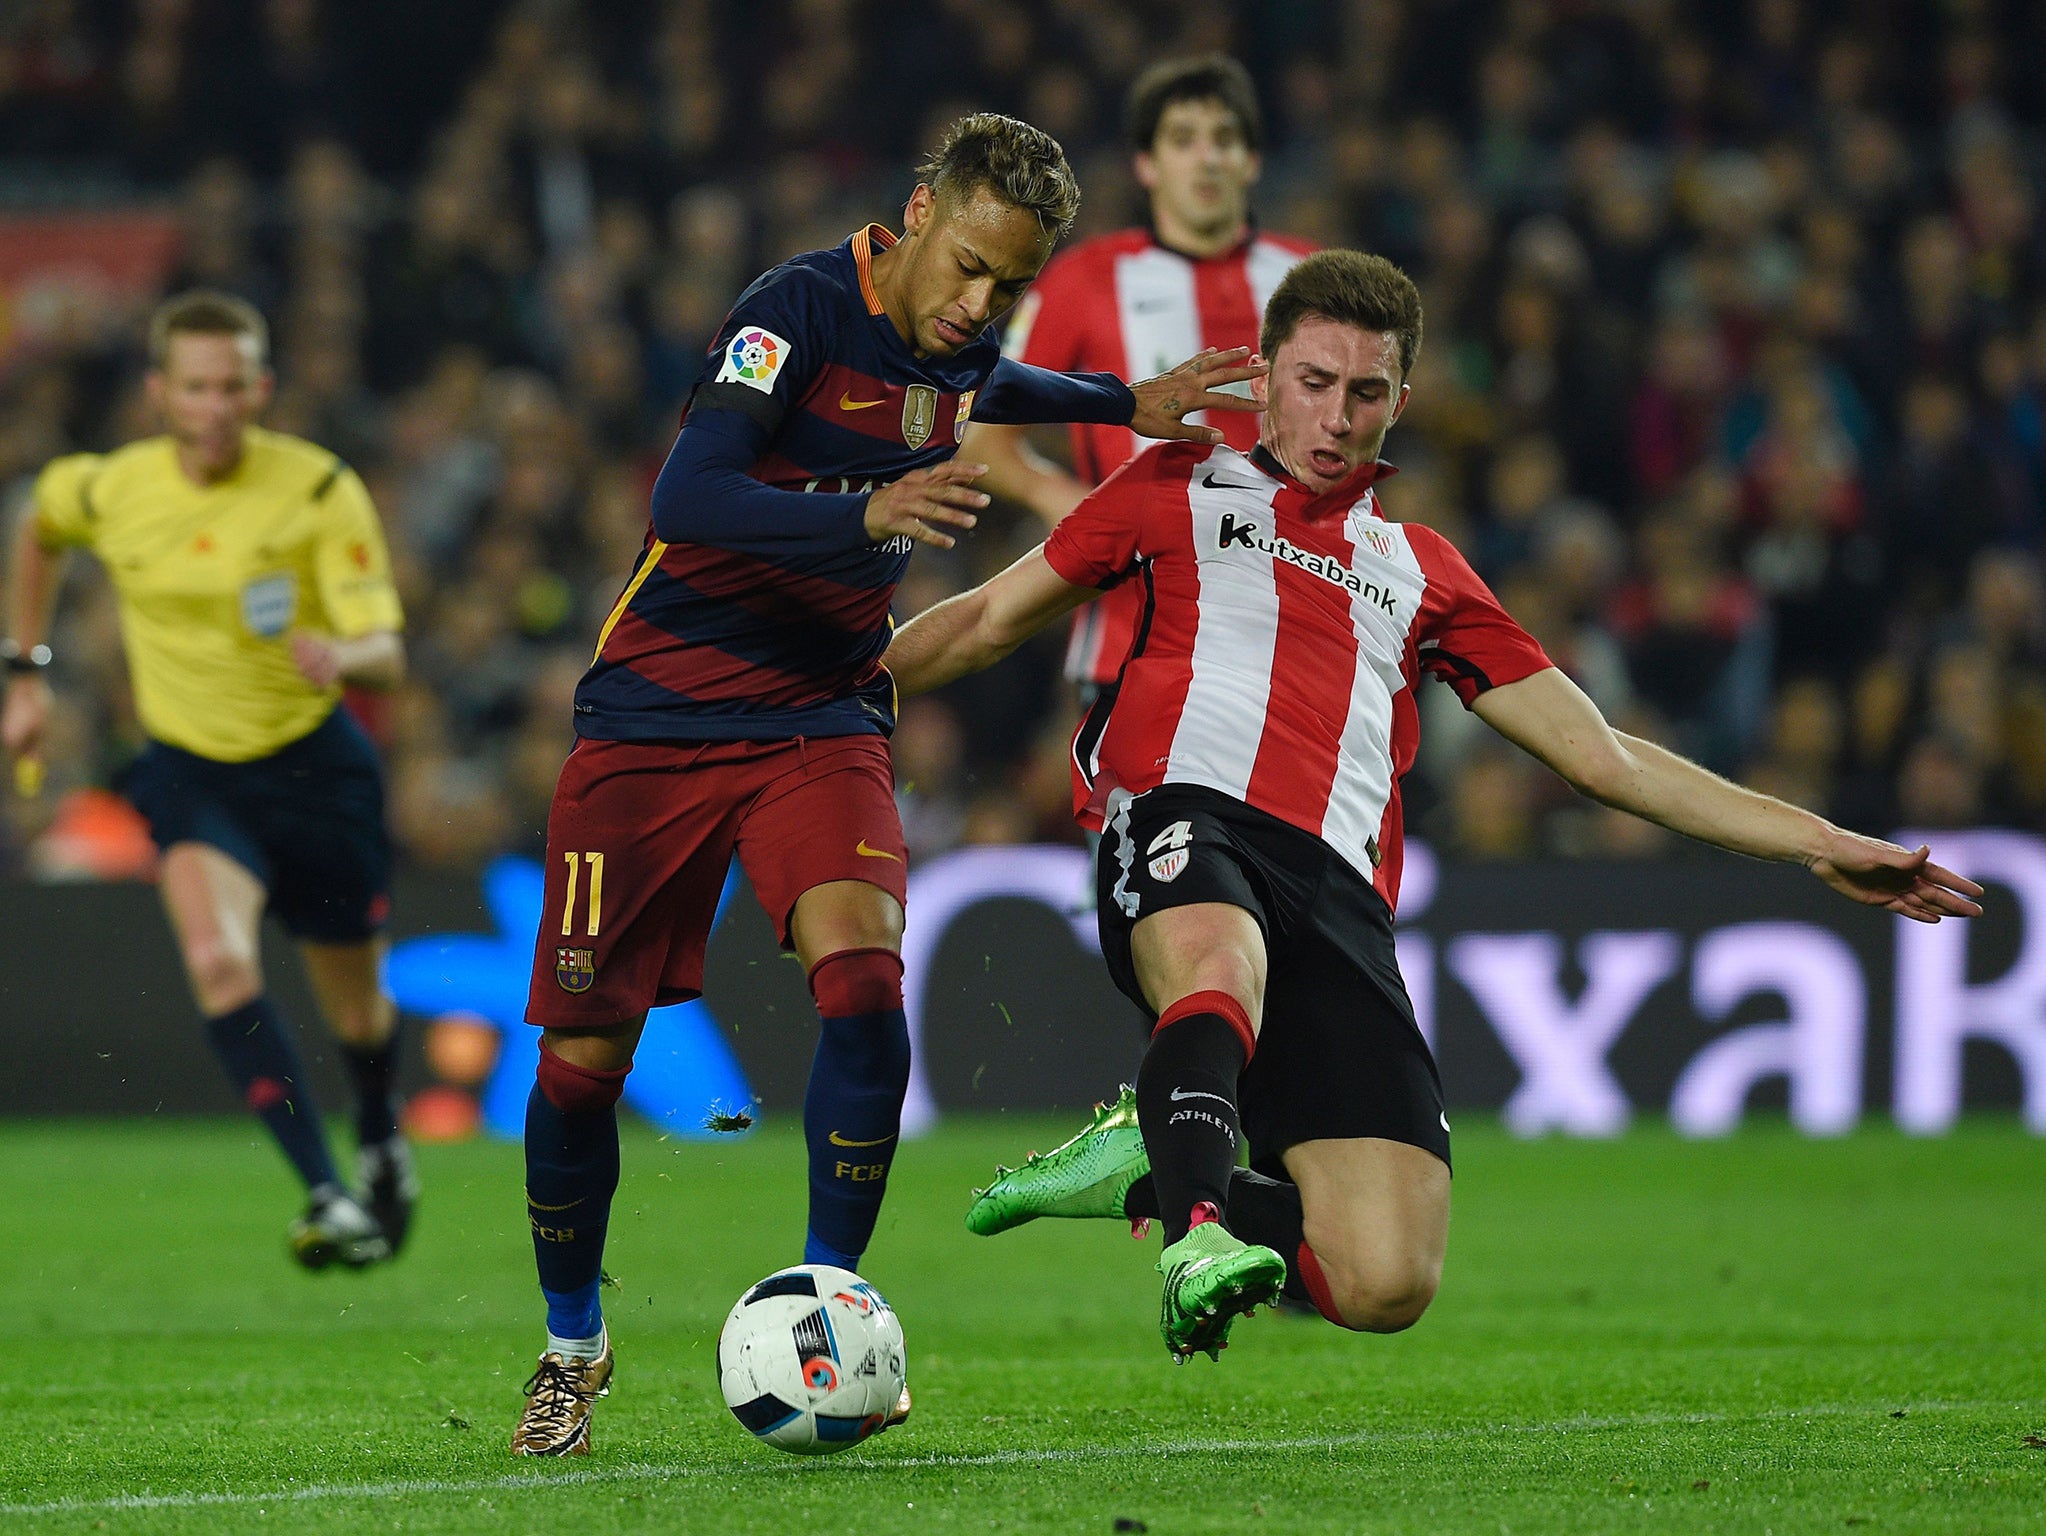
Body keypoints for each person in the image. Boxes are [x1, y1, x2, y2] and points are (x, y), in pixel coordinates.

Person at [882, 249, 1985, 1365]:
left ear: (1399, 403)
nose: (1336, 416)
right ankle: (1196, 1229)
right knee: (1216, 964)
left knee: (1385, 1279)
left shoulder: (1425, 570)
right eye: (1313, 382)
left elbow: (1602, 758)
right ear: (1262, 378)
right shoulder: (1172, 487)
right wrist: (821, 688)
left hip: (1341, 893)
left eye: (1366, 393)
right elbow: (983, 622)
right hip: (1185, 813)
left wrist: (1819, 842)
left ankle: (1158, 1153)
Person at [509, 112, 1264, 1457]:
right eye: (967, 265)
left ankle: (827, 1305)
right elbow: (690, 493)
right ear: (918, 213)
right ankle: (573, 1344)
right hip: (655, 715)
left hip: (822, 710)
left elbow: (992, 377)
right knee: (579, 1066)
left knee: (861, 989)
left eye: (1009, 283)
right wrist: (859, 515)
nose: (980, 304)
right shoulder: (792, 308)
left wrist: (1119, 406)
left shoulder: (962, 333)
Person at [1, 290, 415, 1271]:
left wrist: (341, 654)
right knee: (220, 964)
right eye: (196, 387)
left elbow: (390, 653)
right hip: (192, 773)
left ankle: (382, 1137)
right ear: (159, 393)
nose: (216, 406)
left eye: (234, 386)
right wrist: (25, 671)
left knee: (356, 1010)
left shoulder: (316, 489)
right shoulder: (109, 487)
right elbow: (38, 526)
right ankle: (327, 1193)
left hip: (314, 769)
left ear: (262, 388)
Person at [961, 53, 1312, 708]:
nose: (1207, 159)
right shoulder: (1082, 281)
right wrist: (1059, 499)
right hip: (1134, 638)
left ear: (1252, 160)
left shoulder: (1312, 280)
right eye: (1183, 140)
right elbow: (980, 437)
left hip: (1294, 630)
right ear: (1146, 164)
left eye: (1225, 140)